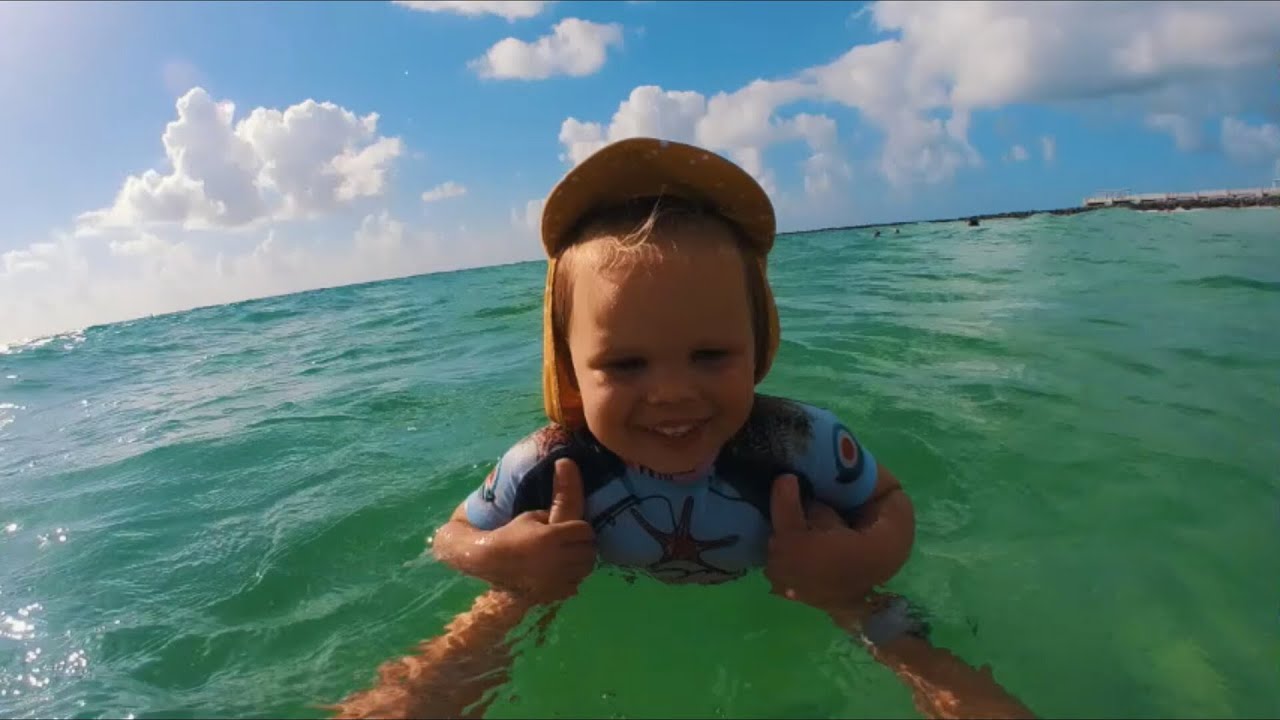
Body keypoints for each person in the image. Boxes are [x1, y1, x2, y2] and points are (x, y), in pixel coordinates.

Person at [329, 138, 1035, 719]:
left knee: (881, 620)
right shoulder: (550, 464)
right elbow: (451, 535)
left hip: (804, 581)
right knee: (497, 611)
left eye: (711, 355)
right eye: (625, 364)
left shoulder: (795, 444)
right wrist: (501, 557)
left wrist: (858, 561)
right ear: (570, 369)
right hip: (574, 576)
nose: (671, 393)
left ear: (759, 344)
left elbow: (887, 500)